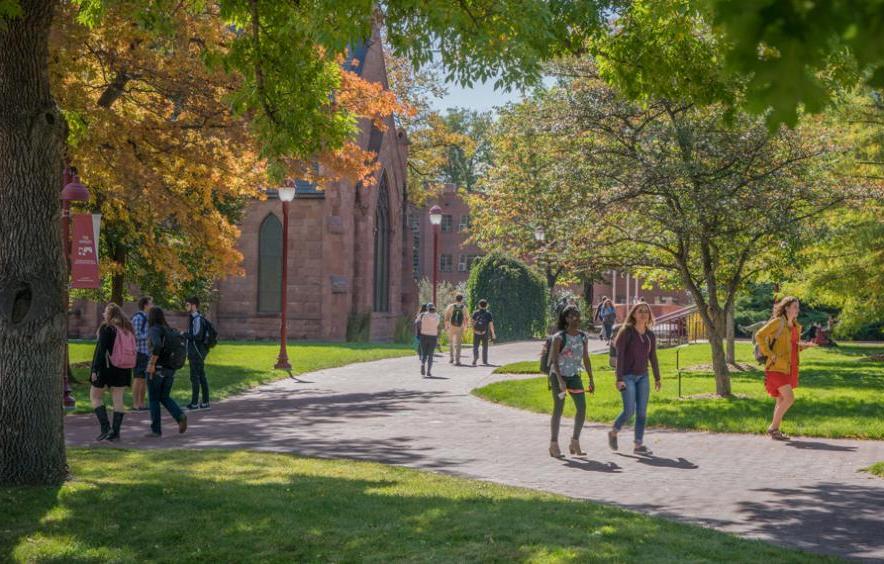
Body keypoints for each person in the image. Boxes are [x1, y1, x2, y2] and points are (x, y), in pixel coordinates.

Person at [755, 296, 816, 440]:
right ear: (787, 308)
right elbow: (759, 335)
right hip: (776, 367)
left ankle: (776, 431)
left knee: (781, 400)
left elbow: (792, 347)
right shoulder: (778, 322)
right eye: (795, 306)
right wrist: (769, 354)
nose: (797, 310)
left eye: (798, 307)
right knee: (789, 398)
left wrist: (806, 346)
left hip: (789, 368)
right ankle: (773, 428)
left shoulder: (795, 326)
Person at [608, 302, 661, 455]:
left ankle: (638, 445)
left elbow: (653, 358)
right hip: (627, 376)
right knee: (629, 410)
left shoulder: (650, 335)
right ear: (633, 314)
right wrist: (619, 378)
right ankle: (614, 432)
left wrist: (657, 377)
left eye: (646, 311)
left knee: (642, 412)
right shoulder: (626, 332)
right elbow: (621, 357)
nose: (643, 313)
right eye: (640, 311)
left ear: (649, 315)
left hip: (643, 376)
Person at [547, 305, 594, 458]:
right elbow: (554, 360)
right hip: (558, 376)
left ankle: (575, 441)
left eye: (578, 315)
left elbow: (586, 358)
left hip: (574, 376)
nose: (577, 318)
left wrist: (591, 379)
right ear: (566, 318)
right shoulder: (559, 337)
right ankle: (554, 444)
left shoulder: (583, 337)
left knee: (582, 408)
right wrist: (560, 381)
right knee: (559, 408)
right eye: (573, 315)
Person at [90, 303, 136, 441]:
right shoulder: (127, 329)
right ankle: (115, 432)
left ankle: (106, 428)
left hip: (107, 367)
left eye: (105, 312)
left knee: (95, 396)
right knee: (118, 399)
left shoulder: (107, 328)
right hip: (124, 368)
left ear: (109, 314)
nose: (103, 314)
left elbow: (101, 351)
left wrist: (94, 369)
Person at [145, 306, 188, 437]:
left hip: (157, 369)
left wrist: (152, 363)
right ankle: (180, 416)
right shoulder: (168, 329)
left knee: (153, 399)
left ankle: (156, 430)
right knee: (164, 396)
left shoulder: (154, 329)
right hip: (170, 369)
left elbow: (157, 345)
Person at [184, 296, 210, 410]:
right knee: (201, 376)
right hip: (197, 352)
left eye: (187, 304)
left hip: (196, 353)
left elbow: (197, 336)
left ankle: (195, 403)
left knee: (195, 377)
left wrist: (184, 334)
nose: (186, 307)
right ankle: (205, 402)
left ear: (194, 305)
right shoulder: (194, 318)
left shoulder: (197, 319)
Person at [130, 295, 153, 411]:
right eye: (150, 303)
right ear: (145, 305)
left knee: (144, 379)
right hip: (139, 352)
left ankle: (142, 403)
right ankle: (135, 404)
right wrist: (148, 337)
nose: (152, 306)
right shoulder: (138, 318)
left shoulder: (147, 317)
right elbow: (136, 335)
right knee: (138, 378)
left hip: (147, 353)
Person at [444, 294, 468, 365]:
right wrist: (465, 327)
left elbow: (446, 317)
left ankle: (451, 358)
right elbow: (466, 318)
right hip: (460, 327)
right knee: (458, 344)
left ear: (455, 299)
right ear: (462, 299)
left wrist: (446, 326)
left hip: (451, 326)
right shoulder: (464, 307)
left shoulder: (450, 306)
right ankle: (457, 360)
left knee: (451, 342)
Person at [471, 299, 496, 366]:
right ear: (486, 305)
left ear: (479, 305)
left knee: (475, 346)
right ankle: (485, 361)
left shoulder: (475, 313)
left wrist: (474, 330)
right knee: (485, 347)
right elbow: (491, 325)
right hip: (485, 332)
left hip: (476, 332)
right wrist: (493, 333)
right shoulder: (488, 314)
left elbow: (472, 323)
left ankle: (475, 356)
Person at [418, 303, 441, 377]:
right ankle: (428, 371)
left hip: (423, 335)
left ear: (427, 308)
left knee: (424, 353)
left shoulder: (422, 315)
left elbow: (417, 322)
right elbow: (437, 325)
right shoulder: (437, 316)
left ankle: (422, 364)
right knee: (431, 354)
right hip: (433, 336)